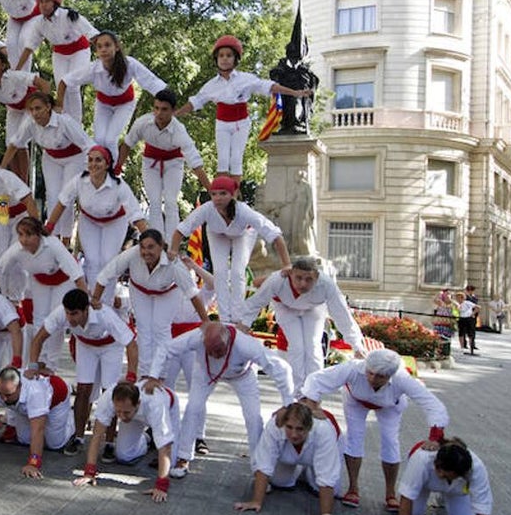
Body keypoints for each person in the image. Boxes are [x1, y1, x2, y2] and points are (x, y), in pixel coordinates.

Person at [301, 348, 449, 511]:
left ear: (390, 376)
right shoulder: (353, 368)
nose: (372, 378)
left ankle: (390, 494)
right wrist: (313, 405)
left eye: (380, 376)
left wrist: (435, 437)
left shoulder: (402, 378)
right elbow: (315, 380)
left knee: (390, 442)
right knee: (354, 439)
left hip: (390, 406)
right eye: (370, 373)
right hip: (355, 401)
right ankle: (353, 488)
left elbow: (433, 404)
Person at [148, 321, 295, 478]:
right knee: (193, 409)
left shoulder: (246, 344)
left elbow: (282, 368)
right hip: (205, 372)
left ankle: (259, 467)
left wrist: (288, 404)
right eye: (209, 350)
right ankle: (183, 458)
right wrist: (153, 376)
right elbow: (166, 348)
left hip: (242, 375)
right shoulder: (196, 337)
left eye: (218, 350)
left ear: (228, 341)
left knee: (253, 418)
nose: (214, 355)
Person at [175, 34, 311, 182]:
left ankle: (234, 194)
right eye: (221, 55)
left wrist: (294, 92)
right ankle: (222, 191)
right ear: (216, 59)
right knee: (222, 160)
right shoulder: (211, 86)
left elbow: (269, 86)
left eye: (229, 55)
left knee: (236, 159)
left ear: (235, 59)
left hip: (241, 123)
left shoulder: (245, 79)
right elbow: (195, 102)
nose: (225, 58)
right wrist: (175, 114)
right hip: (222, 123)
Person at [29, 288, 139, 455]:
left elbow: (131, 343)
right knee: (83, 390)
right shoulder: (61, 313)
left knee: (110, 392)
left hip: (111, 346)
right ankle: (79, 437)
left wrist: (131, 377)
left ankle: (108, 442)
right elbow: (38, 338)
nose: (70, 318)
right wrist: (32, 367)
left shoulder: (104, 314)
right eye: (67, 313)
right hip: (85, 345)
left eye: (74, 314)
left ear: (86, 310)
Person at [171, 176, 291, 321]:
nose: (218, 198)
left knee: (237, 272)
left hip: (243, 234)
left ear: (233, 195)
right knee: (220, 272)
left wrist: (287, 264)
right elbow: (181, 229)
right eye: (214, 194)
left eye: (223, 194)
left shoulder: (244, 211)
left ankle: (237, 316)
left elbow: (276, 235)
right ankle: (225, 318)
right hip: (216, 234)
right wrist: (173, 251)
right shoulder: (207, 208)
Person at [236, 256, 366, 389]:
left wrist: (357, 346)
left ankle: (314, 391)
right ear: (290, 273)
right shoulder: (277, 280)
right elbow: (256, 302)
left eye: (309, 279)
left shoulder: (326, 285)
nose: (303, 284)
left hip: (313, 309)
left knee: (313, 347)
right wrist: (244, 325)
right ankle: (297, 393)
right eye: (298, 278)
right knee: (296, 347)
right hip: (286, 309)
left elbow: (342, 314)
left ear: (317, 276)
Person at [92, 229, 206, 377]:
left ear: (161, 246)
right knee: (144, 329)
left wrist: (206, 321)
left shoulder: (174, 264)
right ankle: (145, 375)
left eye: (151, 247)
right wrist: (95, 299)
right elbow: (104, 276)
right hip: (140, 290)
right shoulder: (132, 254)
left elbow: (193, 294)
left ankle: (161, 375)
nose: (146, 252)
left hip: (167, 292)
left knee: (161, 329)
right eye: (143, 247)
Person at [43, 146, 146, 304]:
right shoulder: (79, 181)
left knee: (108, 261)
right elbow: (62, 202)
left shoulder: (119, 185)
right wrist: (49, 227)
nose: (93, 164)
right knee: (92, 261)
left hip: (115, 223)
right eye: (90, 160)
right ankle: (93, 302)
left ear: (107, 164)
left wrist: (149, 238)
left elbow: (135, 214)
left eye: (98, 160)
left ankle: (107, 304)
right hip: (89, 221)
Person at [0, 216, 87, 370]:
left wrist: (85, 298)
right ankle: (39, 360)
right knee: (39, 319)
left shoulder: (53, 245)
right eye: (20, 234)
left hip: (63, 281)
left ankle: (51, 365)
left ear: (38, 234)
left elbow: (76, 272)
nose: (24, 240)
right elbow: (0, 269)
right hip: (39, 281)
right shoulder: (16, 249)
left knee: (56, 319)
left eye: (29, 235)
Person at [233, 403, 350, 515]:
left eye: (300, 429)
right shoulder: (275, 425)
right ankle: (299, 469)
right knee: (280, 482)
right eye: (289, 427)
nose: (293, 434)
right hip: (288, 453)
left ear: (309, 427)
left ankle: (309, 471)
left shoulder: (324, 431)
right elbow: (264, 463)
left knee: (328, 489)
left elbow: (327, 475)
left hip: (321, 451)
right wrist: (256, 501)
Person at [57, 30, 167, 160]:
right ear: (96, 51)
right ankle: (101, 170)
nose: (103, 49)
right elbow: (65, 81)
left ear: (117, 47)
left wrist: (167, 101)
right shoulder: (93, 68)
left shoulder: (129, 64)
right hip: (103, 104)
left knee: (109, 140)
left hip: (125, 104)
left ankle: (114, 173)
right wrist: (58, 105)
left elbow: (151, 82)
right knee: (99, 139)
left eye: (107, 45)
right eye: (99, 47)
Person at [0, 365, 75, 478]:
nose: (4, 399)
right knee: (24, 440)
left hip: (57, 399)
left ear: (20, 387)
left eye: (8, 395)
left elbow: (38, 430)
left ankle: (71, 420)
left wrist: (33, 464)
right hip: (22, 408)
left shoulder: (36, 392)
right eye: (1, 394)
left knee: (55, 444)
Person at [1, 91, 92, 240]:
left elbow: (87, 144)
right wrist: (2, 167)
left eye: (38, 108)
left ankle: (66, 240)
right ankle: (53, 237)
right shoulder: (29, 123)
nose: (35, 113)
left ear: (48, 107)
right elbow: (14, 143)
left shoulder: (64, 122)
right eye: (31, 110)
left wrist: (95, 167)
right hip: (50, 158)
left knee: (66, 196)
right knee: (52, 196)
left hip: (74, 158)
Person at [117, 89, 211, 234]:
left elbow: (195, 163)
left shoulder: (179, 131)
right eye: (156, 108)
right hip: (150, 162)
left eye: (164, 109)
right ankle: (157, 240)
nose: (159, 113)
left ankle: (172, 242)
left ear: (173, 111)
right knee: (154, 202)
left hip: (174, 163)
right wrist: (117, 168)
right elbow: (127, 144)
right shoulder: (142, 123)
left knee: (170, 201)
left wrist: (211, 190)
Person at [395, 438, 501, 515]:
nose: (440, 476)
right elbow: (407, 496)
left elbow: (483, 506)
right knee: (414, 514)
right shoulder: (421, 458)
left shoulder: (477, 468)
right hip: (423, 483)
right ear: (436, 464)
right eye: (440, 472)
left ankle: (444, 501)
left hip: (457, 490)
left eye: (447, 476)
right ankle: (437, 496)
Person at [73, 380, 180, 502]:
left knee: (170, 465)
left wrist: (161, 486)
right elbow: (97, 435)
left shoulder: (156, 405)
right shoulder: (107, 398)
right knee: (124, 456)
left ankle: (166, 442)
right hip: (135, 416)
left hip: (168, 406)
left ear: (138, 403)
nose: (122, 417)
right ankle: (148, 438)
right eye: (118, 412)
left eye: (126, 412)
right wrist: (89, 472)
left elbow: (166, 448)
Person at [17, 0, 99, 122]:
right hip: (60, 54)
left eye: (47, 1)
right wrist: (17, 69)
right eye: (41, 1)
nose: (43, 5)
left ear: (55, 2)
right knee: (61, 86)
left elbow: (92, 33)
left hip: (79, 50)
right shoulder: (39, 23)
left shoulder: (69, 15)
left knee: (72, 85)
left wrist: (106, 56)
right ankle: (65, 121)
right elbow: (30, 47)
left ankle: (76, 124)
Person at [0, 48, 51, 181]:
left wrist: (47, 107)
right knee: (10, 144)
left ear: (3, 65)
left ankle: (23, 182)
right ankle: (15, 180)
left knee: (20, 141)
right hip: (13, 110)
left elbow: (43, 83)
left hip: (29, 106)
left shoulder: (13, 76)